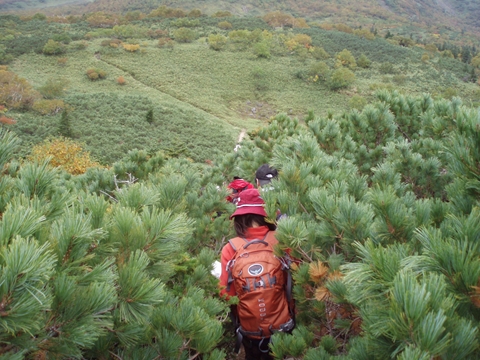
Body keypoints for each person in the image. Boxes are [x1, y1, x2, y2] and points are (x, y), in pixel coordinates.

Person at [219, 188, 294, 359]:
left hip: (250, 331)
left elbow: (227, 294)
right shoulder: (282, 240)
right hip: (283, 327)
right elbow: (297, 282)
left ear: (239, 217)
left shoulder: (231, 248)